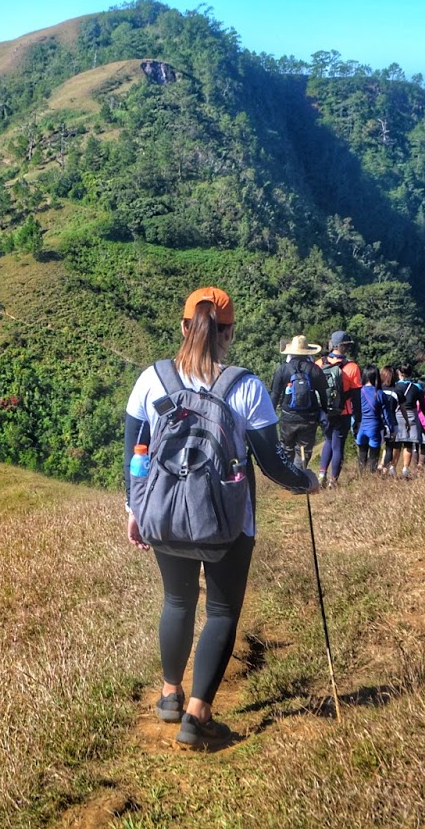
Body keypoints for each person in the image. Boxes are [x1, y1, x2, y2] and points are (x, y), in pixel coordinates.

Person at [125, 286, 320, 749]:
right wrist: (305, 481)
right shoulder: (245, 386)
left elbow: (136, 455)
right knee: (221, 610)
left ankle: (170, 695)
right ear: (228, 333)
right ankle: (198, 716)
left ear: (183, 328)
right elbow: (272, 463)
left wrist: (135, 509)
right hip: (228, 523)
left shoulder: (151, 379)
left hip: (164, 514)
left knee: (177, 601)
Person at [268, 334, 325, 469]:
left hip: (288, 417)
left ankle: (288, 476)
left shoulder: (283, 369)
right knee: (304, 450)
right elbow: (323, 393)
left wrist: (270, 416)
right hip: (309, 418)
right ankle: (299, 475)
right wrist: (324, 412)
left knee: (286, 448)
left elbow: (275, 394)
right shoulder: (315, 369)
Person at [316, 331, 363, 489]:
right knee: (338, 446)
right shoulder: (352, 367)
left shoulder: (319, 363)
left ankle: (321, 475)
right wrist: (358, 418)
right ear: (346, 346)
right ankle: (333, 481)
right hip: (343, 411)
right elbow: (356, 396)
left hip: (324, 412)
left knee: (328, 440)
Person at [387, 366, 425, 479]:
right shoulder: (417, 387)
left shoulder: (395, 386)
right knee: (408, 443)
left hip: (397, 414)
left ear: (399, 372)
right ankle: (405, 468)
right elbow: (422, 406)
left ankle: (392, 467)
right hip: (411, 415)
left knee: (396, 444)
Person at [356, 366, 391, 474]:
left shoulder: (358, 392)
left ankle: (361, 477)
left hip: (361, 429)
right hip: (374, 428)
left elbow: (354, 411)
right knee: (373, 458)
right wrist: (391, 428)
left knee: (362, 456)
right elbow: (387, 415)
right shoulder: (380, 393)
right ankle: (371, 476)